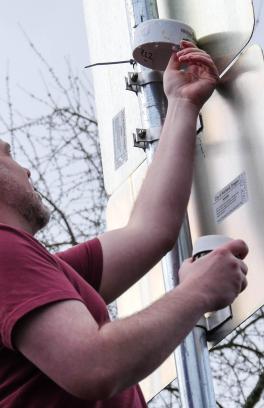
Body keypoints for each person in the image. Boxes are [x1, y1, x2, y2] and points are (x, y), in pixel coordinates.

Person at [0, 40, 248, 408]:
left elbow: (150, 231)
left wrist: (181, 104)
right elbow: (93, 364)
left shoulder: (39, 272)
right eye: (8, 156)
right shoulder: (5, 253)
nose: (26, 169)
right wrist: (197, 292)